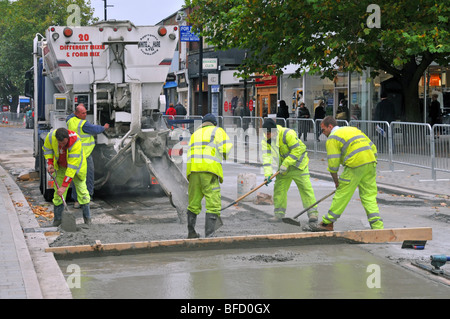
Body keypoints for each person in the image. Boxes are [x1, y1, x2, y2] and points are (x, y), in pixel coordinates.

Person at [310, 116, 384, 231]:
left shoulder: (333, 138)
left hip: (354, 166)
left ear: (330, 126)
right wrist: (371, 161)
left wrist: (336, 182)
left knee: (342, 195)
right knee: (369, 196)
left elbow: (333, 165)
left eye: (323, 130)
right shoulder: (353, 129)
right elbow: (372, 147)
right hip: (370, 163)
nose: (323, 133)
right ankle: (377, 227)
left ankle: (327, 223)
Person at [261, 118, 319, 223]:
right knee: (279, 190)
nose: (266, 136)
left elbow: (298, 149)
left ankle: (313, 214)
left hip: (299, 166)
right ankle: (278, 214)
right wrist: (267, 174)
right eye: (265, 133)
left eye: (268, 133)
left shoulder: (287, 134)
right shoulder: (265, 140)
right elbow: (266, 158)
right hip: (284, 170)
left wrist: (286, 163)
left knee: (306, 190)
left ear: (274, 131)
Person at [186, 113, 233, 238]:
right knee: (213, 202)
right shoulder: (217, 131)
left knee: (193, 202)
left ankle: (191, 232)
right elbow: (226, 149)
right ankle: (209, 235)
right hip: (209, 170)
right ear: (214, 123)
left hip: (193, 171)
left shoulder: (194, 134)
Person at [42, 128, 91, 226]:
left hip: (77, 168)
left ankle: (87, 220)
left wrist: (64, 186)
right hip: (61, 167)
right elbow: (47, 150)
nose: (62, 146)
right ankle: (57, 220)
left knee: (82, 192)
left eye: (64, 143)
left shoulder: (75, 142)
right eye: (60, 143)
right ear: (56, 139)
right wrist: (50, 163)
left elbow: (72, 168)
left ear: (67, 138)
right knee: (58, 194)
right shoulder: (51, 137)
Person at [66, 104, 109, 208]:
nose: (85, 115)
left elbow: (69, 116)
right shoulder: (83, 124)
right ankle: (87, 199)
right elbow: (95, 129)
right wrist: (104, 127)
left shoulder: (70, 121)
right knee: (88, 177)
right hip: (84, 156)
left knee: (77, 178)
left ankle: (76, 201)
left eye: (85, 112)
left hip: (74, 156)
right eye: (83, 113)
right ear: (77, 114)